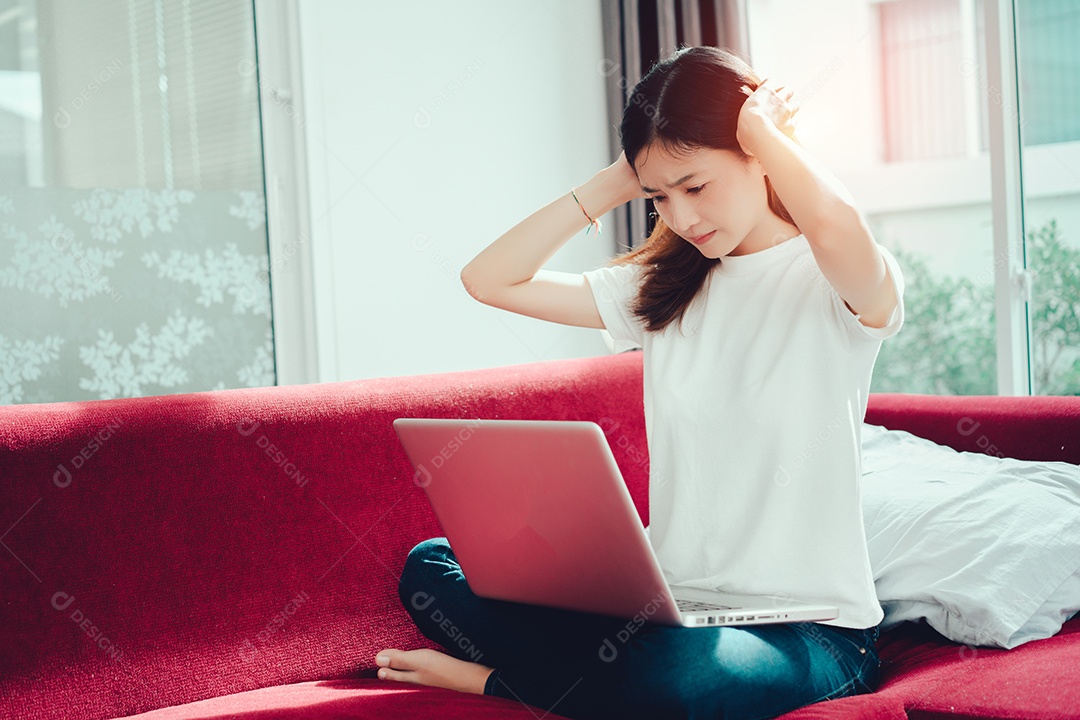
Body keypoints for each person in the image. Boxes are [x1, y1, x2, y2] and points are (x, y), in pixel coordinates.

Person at [373, 45, 904, 720]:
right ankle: (596, 683)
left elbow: (833, 224)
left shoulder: (839, 281)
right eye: (660, 196)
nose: (680, 218)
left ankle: (497, 682)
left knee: (680, 678)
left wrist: (761, 127)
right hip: (666, 613)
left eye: (696, 185)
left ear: (757, 160)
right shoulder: (662, 290)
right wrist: (616, 182)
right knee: (431, 569)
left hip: (812, 636)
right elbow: (489, 279)